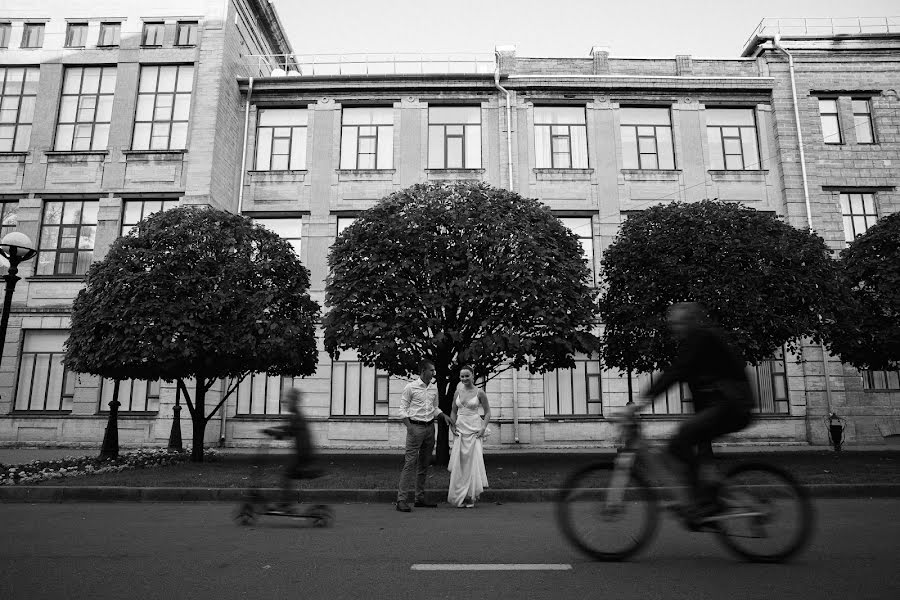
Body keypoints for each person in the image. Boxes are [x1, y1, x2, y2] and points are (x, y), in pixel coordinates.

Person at [629, 302, 754, 523]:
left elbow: (676, 372)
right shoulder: (695, 342)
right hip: (724, 405)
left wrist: (641, 401)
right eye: (672, 324)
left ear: (691, 322)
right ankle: (704, 501)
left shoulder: (701, 337)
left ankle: (702, 503)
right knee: (688, 444)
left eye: (678, 323)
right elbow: (694, 385)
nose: (674, 328)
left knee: (680, 439)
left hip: (734, 404)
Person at [396, 359, 455, 512]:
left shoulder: (433, 388)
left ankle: (419, 498)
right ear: (423, 371)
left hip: (430, 428)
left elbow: (434, 408)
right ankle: (401, 500)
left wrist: (443, 415)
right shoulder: (410, 387)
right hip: (415, 428)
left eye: (434, 370)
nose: (434, 373)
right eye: (431, 370)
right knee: (410, 464)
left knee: (424, 464)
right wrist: (410, 428)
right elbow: (402, 410)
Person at [262, 387, 320, 510]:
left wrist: (273, 432)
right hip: (303, 454)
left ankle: (285, 503)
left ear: (294, 401)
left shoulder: (297, 417)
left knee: (286, 474)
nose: (285, 403)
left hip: (303, 456)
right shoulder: (296, 416)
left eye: (288, 401)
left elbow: (288, 431)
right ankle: (285, 502)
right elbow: (287, 429)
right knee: (287, 474)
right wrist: (272, 430)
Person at [447, 365, 491, 508]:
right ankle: (460, 496)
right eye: (462, 376)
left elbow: (488, 412)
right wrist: (452, 425)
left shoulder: (480, 393)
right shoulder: (457, 392)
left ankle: (471, 496)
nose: (464, 378)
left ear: (473, 375)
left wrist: (483, 428)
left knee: (473, 464)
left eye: (467, 376)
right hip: (460, 430)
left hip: (474, 431)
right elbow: (453, 411)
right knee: (460, 464)